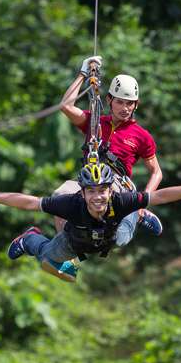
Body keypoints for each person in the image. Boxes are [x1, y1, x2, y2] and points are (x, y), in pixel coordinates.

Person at [0, 163, 181, 282]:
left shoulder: (119, 200)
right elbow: (29, 202)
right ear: (83, 192)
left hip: (111, 233)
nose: (98, 197)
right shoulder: (71, 203)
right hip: (76, 238)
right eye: (92, 191)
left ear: (110, 190)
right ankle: (29, 238)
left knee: (124, 234)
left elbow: (159, 195)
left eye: (103, 190)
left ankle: (140, 215)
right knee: (47, 257)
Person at [53, 56, 164, 246]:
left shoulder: (141, 135)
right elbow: (66, 106)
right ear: (109, 100)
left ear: (136, 104)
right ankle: (67, 251)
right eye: (120, 102)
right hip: (89, 181)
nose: (125, 108)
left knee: (117, 239)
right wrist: (83, 73)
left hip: (116, 185)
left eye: (130, 103)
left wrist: (144, 201)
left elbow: (156, 171)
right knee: (59, 197)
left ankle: (138, 216)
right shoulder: (94, 121)